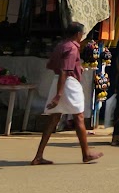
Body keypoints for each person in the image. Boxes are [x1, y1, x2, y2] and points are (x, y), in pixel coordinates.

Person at [32, 22, 102, 165]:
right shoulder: (72, 48)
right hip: (68, 84)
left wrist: (76, 67)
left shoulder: (61, 45)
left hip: (59, 81)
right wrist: (59, 95)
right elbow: (65, 70)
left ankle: (38, 156)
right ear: (78, 34)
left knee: (54, 119)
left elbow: (52, 65)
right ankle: (86, 153)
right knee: (79, 117)